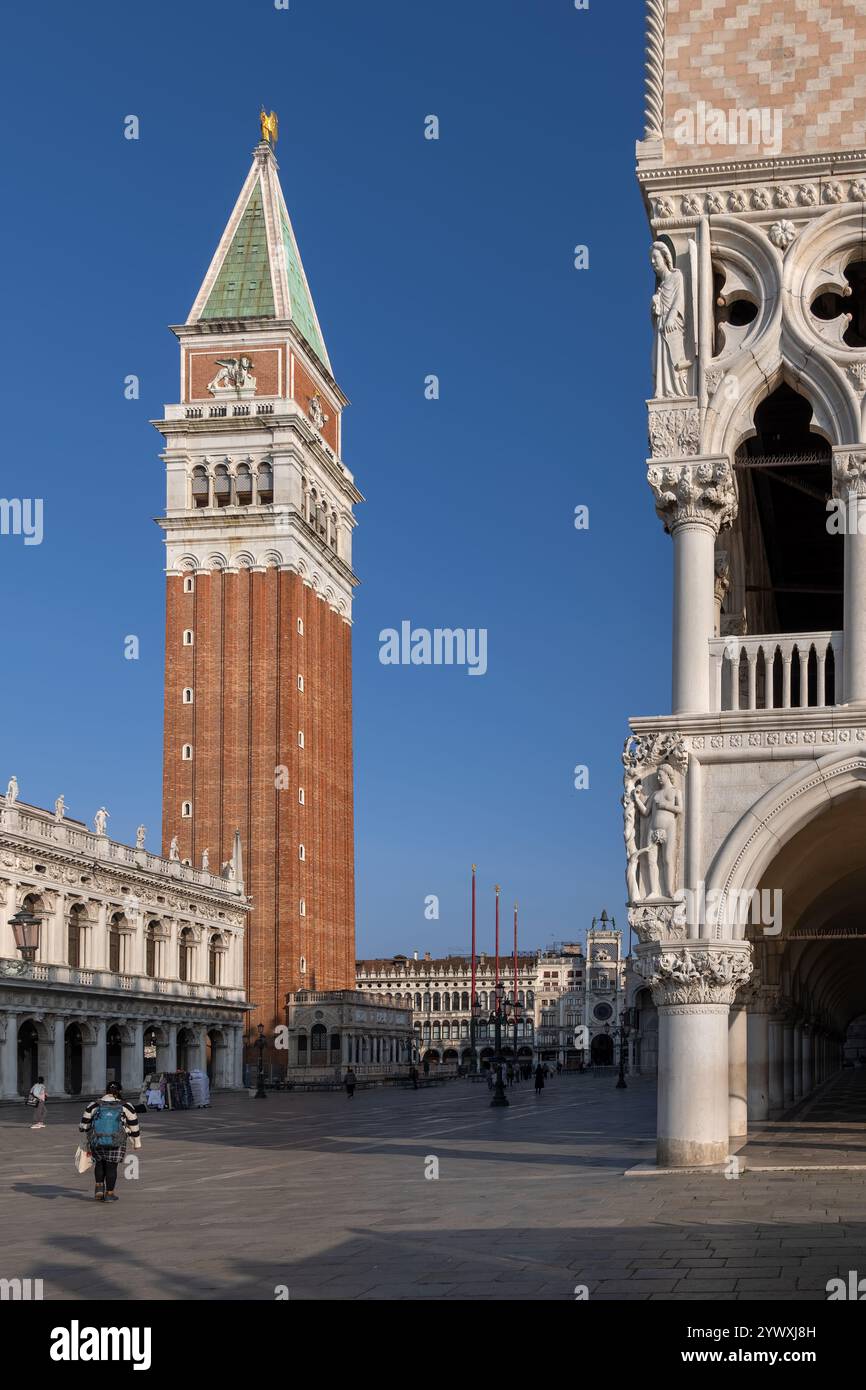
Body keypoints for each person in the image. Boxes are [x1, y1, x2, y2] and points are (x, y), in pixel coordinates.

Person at [79, 1083, 141, 1202]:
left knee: (100, 1163)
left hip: (97, 1139)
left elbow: (84, 1124)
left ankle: (99, 1188)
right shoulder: (126, 1105)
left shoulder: (94, 1104)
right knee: (111, 1167)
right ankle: (109, 1194)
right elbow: (134, 1124)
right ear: (120, 1091)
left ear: (105, 1091)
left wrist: (87, 1133)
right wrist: (136, 1142)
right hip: (117, 1140)